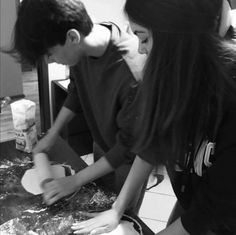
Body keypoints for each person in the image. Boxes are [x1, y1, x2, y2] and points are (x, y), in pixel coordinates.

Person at [71, 0, 236, 234]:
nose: (140, 49)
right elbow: (153, 144)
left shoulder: (229, 98)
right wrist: (117, 209)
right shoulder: (176, 77)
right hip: (193, 203)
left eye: (144, 38)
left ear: (178, 37)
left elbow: (213, 209)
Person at [5, 0, 147, 214]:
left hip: (130, 163)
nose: (50, 60)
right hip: (103, 142)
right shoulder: (83, 45)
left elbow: (126, 148)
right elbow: (76, 91)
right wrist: (52, 134)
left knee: (118, 217)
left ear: (72, 37)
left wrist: (75, 180)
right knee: (95, 201)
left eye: (50, 54)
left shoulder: (131, 73)